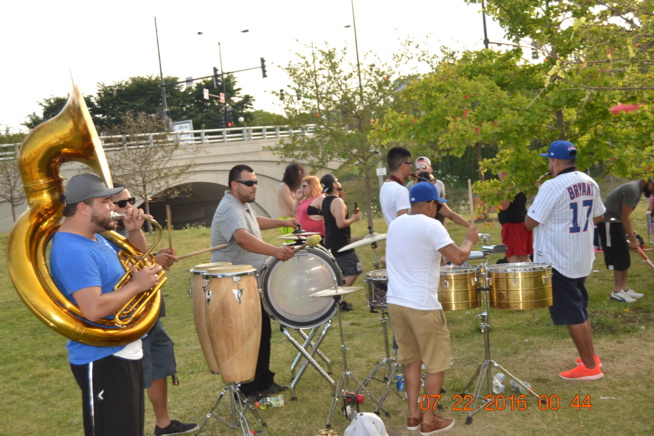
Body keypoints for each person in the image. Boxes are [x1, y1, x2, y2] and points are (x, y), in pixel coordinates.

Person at [50, 174, 163, 436]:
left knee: (129, 429)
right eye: (106, 202)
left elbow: (137, 261)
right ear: (83, 207)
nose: (113, 207)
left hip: (122, 347)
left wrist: (134, 232)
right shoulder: (73, 250)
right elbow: (94, 308)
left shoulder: (97, 237)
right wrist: (136, 286)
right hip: (101, 357)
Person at [386, 182, 479, 435]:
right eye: (437, 204)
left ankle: (413, 416)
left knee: (411, 360)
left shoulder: (396, 224)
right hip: (422, 305)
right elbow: (458, 258)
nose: (437, 209)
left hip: (396, 301)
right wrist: (469, 240)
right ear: (429, 203)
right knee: (436, 364)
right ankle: (429, 421)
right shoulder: (432, 225)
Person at [111, 185, 198, 435]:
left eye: (131, 201)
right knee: (137, 372)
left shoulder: (128, 231)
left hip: (148, 311)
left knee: (159, 363)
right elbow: (125, 273)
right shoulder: (106, 236)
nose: (129, 207)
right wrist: (154, 261)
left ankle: (164, 424)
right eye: (121, 203)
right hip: (129, 316)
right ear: (107, 206)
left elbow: (141, 257)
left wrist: (156, 257)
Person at [211, 164, 297, 402]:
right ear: (234, 185)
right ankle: (247, 389)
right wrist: (276, 251)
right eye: (249, 183)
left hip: (247, 282)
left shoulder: (241, 206)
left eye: (256, 182)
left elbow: (253, 222)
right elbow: (242, 238)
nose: (254, 186)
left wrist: (283, 222)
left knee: (261, 333)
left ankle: (263, 382)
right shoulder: (229, 208)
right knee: (247, 337)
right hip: (233, 285)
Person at [525, 140, 605, 381]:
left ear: (556, 161)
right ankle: (590, 356)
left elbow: (530, 222)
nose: (549, 165)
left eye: (549, 160)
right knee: (580, 307)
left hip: (558, 257)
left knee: (572, 312)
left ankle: (590, 367)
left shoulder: (552, 185)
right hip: (581, 254)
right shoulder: (590, 181)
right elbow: (599, 217)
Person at [597, 178, 654, 302]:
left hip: (616, 223)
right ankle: (617, 291)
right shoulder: (632, 190)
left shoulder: (637, 190)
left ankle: (624, 288)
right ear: (648, 181)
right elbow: (624, 217)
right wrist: (633, 239)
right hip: (609, 223)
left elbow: (624, 217)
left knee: (623, 256)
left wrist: (630, 233)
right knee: (617, 257)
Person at [321, 173, 362, 310]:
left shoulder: (325, 201)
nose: (339, 183)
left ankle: (336, 300)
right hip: (341, 242)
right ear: (334, 185)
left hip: (331, 241)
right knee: (355, 269)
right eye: (337, 181)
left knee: (342, 273)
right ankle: (336, 301)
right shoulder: (337, 201)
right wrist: (354, 219)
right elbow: (340, 223)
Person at [497, 171, 533, 263]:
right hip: (522, 224)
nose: (499, 174)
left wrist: (495, 200)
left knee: (514, 259)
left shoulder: (507, 187)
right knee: (524, 258)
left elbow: (504, 206)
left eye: (501, 172)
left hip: (513, 226)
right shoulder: (518, 186)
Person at [380, 146, 413, 226]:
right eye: (410, 164)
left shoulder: (384, 186)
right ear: (403, 165)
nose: (410, 168)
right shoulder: (400, 190)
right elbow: (404, 224)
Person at [277, 163, 306, 234]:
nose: (299, 179)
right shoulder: (284, 187)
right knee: (290, 243)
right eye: (298, 176)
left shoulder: (290, 188)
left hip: (292, 219)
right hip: (286, 220)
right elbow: (292, 207)